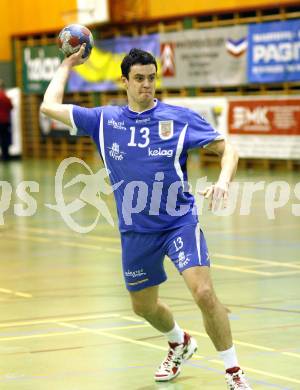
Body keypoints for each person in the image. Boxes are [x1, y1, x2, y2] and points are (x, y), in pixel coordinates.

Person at [41, 45, 252, 389]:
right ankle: (179, 342)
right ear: (124, 81)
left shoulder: (178, 118)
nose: (146, 85)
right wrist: (66, 64)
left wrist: (223, 182)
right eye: (139, 79)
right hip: (136, 230)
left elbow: (229, 148)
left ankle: (234, 372)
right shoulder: (105, 121)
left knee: (203, 293)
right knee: (143, 306)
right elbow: (49, 106)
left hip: (178, 221)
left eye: (151, 78)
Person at [0, 79, 13, 161]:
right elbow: (11, 106)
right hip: (5, 121)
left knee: (2, 138)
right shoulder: (5, 96)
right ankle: (6, 156)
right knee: (5, 138)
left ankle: (5, 156)